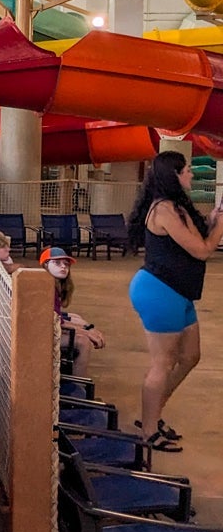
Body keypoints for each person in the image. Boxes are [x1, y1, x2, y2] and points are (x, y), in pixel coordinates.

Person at [127, 150, 223, 450]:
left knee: (191, 357)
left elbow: (197, 236)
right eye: (187, 171)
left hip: (177, 291)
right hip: (160, 290)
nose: (191, 175)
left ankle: (152, 415)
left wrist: (215, 218)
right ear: (174, 175)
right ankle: (148, 431)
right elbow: (203, 250)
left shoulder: (176, 207)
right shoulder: (165, 210)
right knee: (163, 363)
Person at [40, 246, 104, 360]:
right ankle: (78, 376)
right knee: (83, 342)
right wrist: (87, 332)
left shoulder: (55, 285)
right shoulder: (46, 287)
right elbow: (57, 323)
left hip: (47, 328)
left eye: (66, 264)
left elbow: (58, 319)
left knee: (76, 318)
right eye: (57, 263)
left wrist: (87, 328)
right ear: (45, 265)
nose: (63, 266)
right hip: (40, 335)